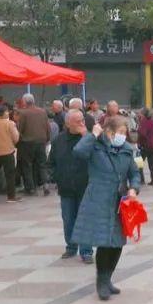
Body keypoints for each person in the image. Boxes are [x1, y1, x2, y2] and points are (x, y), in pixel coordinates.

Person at [71, 116, 141, 301]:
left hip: (120, 202)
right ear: (109, 131)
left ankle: (108, 278)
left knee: (117, 243)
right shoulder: (95, 146)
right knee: (104, 242)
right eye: (120, 132)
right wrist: (92, 135)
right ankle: (101, 282)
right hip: (99, 199)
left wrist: (134, 188)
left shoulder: (127, 150)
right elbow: (78, 152)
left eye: (125, 132)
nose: (123, 136)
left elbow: (135, 173)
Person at [48, 110, 94, 263]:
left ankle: (86, 251)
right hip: (66, 187)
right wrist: (56, 177)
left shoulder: (89, 138)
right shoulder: (59, 140)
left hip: (86, 186)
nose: (82, 123)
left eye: (82, 120)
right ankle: (71, 247)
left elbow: (97, 156)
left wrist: (86, 136)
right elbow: (51, 162)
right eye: (77, 121)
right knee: (68, 219)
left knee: (85, 219)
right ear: (68, 124)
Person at [16, 93, 51, 197]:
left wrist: (19, 139)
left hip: (27, 142)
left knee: (27, 165)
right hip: (41, 141)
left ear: (24, 102)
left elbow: (20, 128)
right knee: (42, 164)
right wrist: (47, 138)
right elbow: (47, 126)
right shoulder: (42, 111)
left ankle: (31, 188)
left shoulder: (23, 113)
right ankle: (45, 184)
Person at [137, 108, 153, 186]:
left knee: (138, 163)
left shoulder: (143, 122)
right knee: (152, 164)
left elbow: (142, 133)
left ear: (143, 114)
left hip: (145, 145)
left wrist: (140, 142)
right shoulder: (152, 121)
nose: (138, 114)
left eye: (139, 113)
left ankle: (141, 179)